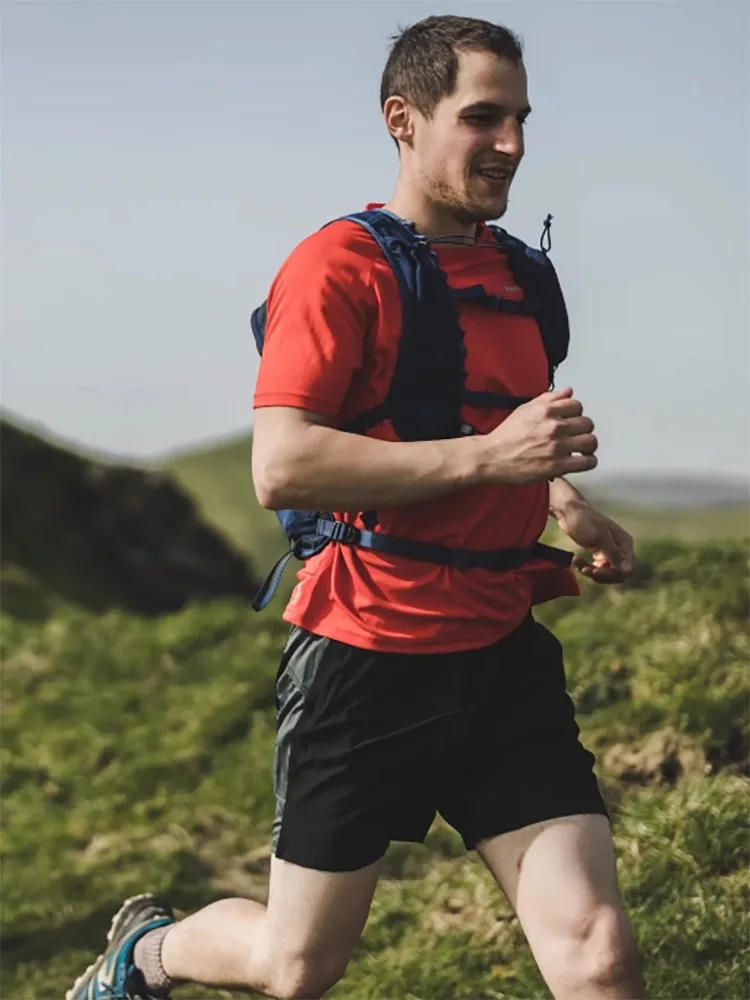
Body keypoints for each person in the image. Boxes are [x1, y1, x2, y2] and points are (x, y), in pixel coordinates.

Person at [69, 14, 647, 1000]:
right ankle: (147, 954)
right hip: (366, 657)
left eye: (520, 118)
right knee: (297, 969)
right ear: (403, 120)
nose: (511, 143)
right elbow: (282, 465)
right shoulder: (336, 269)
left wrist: (562, 501)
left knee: (597, 953)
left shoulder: (523, 278)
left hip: (500, 657)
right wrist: (495, 456)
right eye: (482, 118)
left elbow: (489, 432)